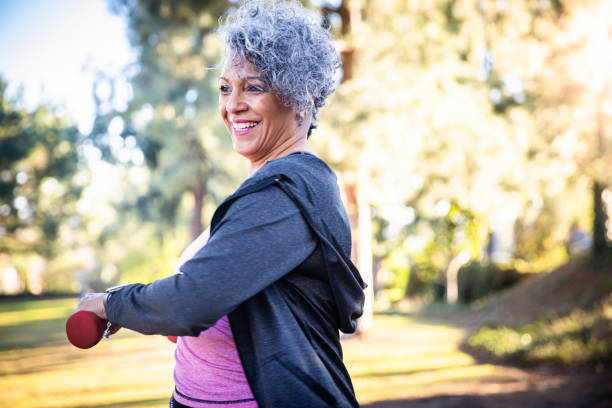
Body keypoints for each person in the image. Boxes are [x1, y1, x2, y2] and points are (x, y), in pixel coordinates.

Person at [76, 1, 366, 407]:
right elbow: (215, 300)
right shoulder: (270, 187)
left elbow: (191, 303)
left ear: (301, 96)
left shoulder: (285, 194)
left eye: (254, 86)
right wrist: (153, 307)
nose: (232, 105)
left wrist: (110, 304)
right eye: (226, 88)